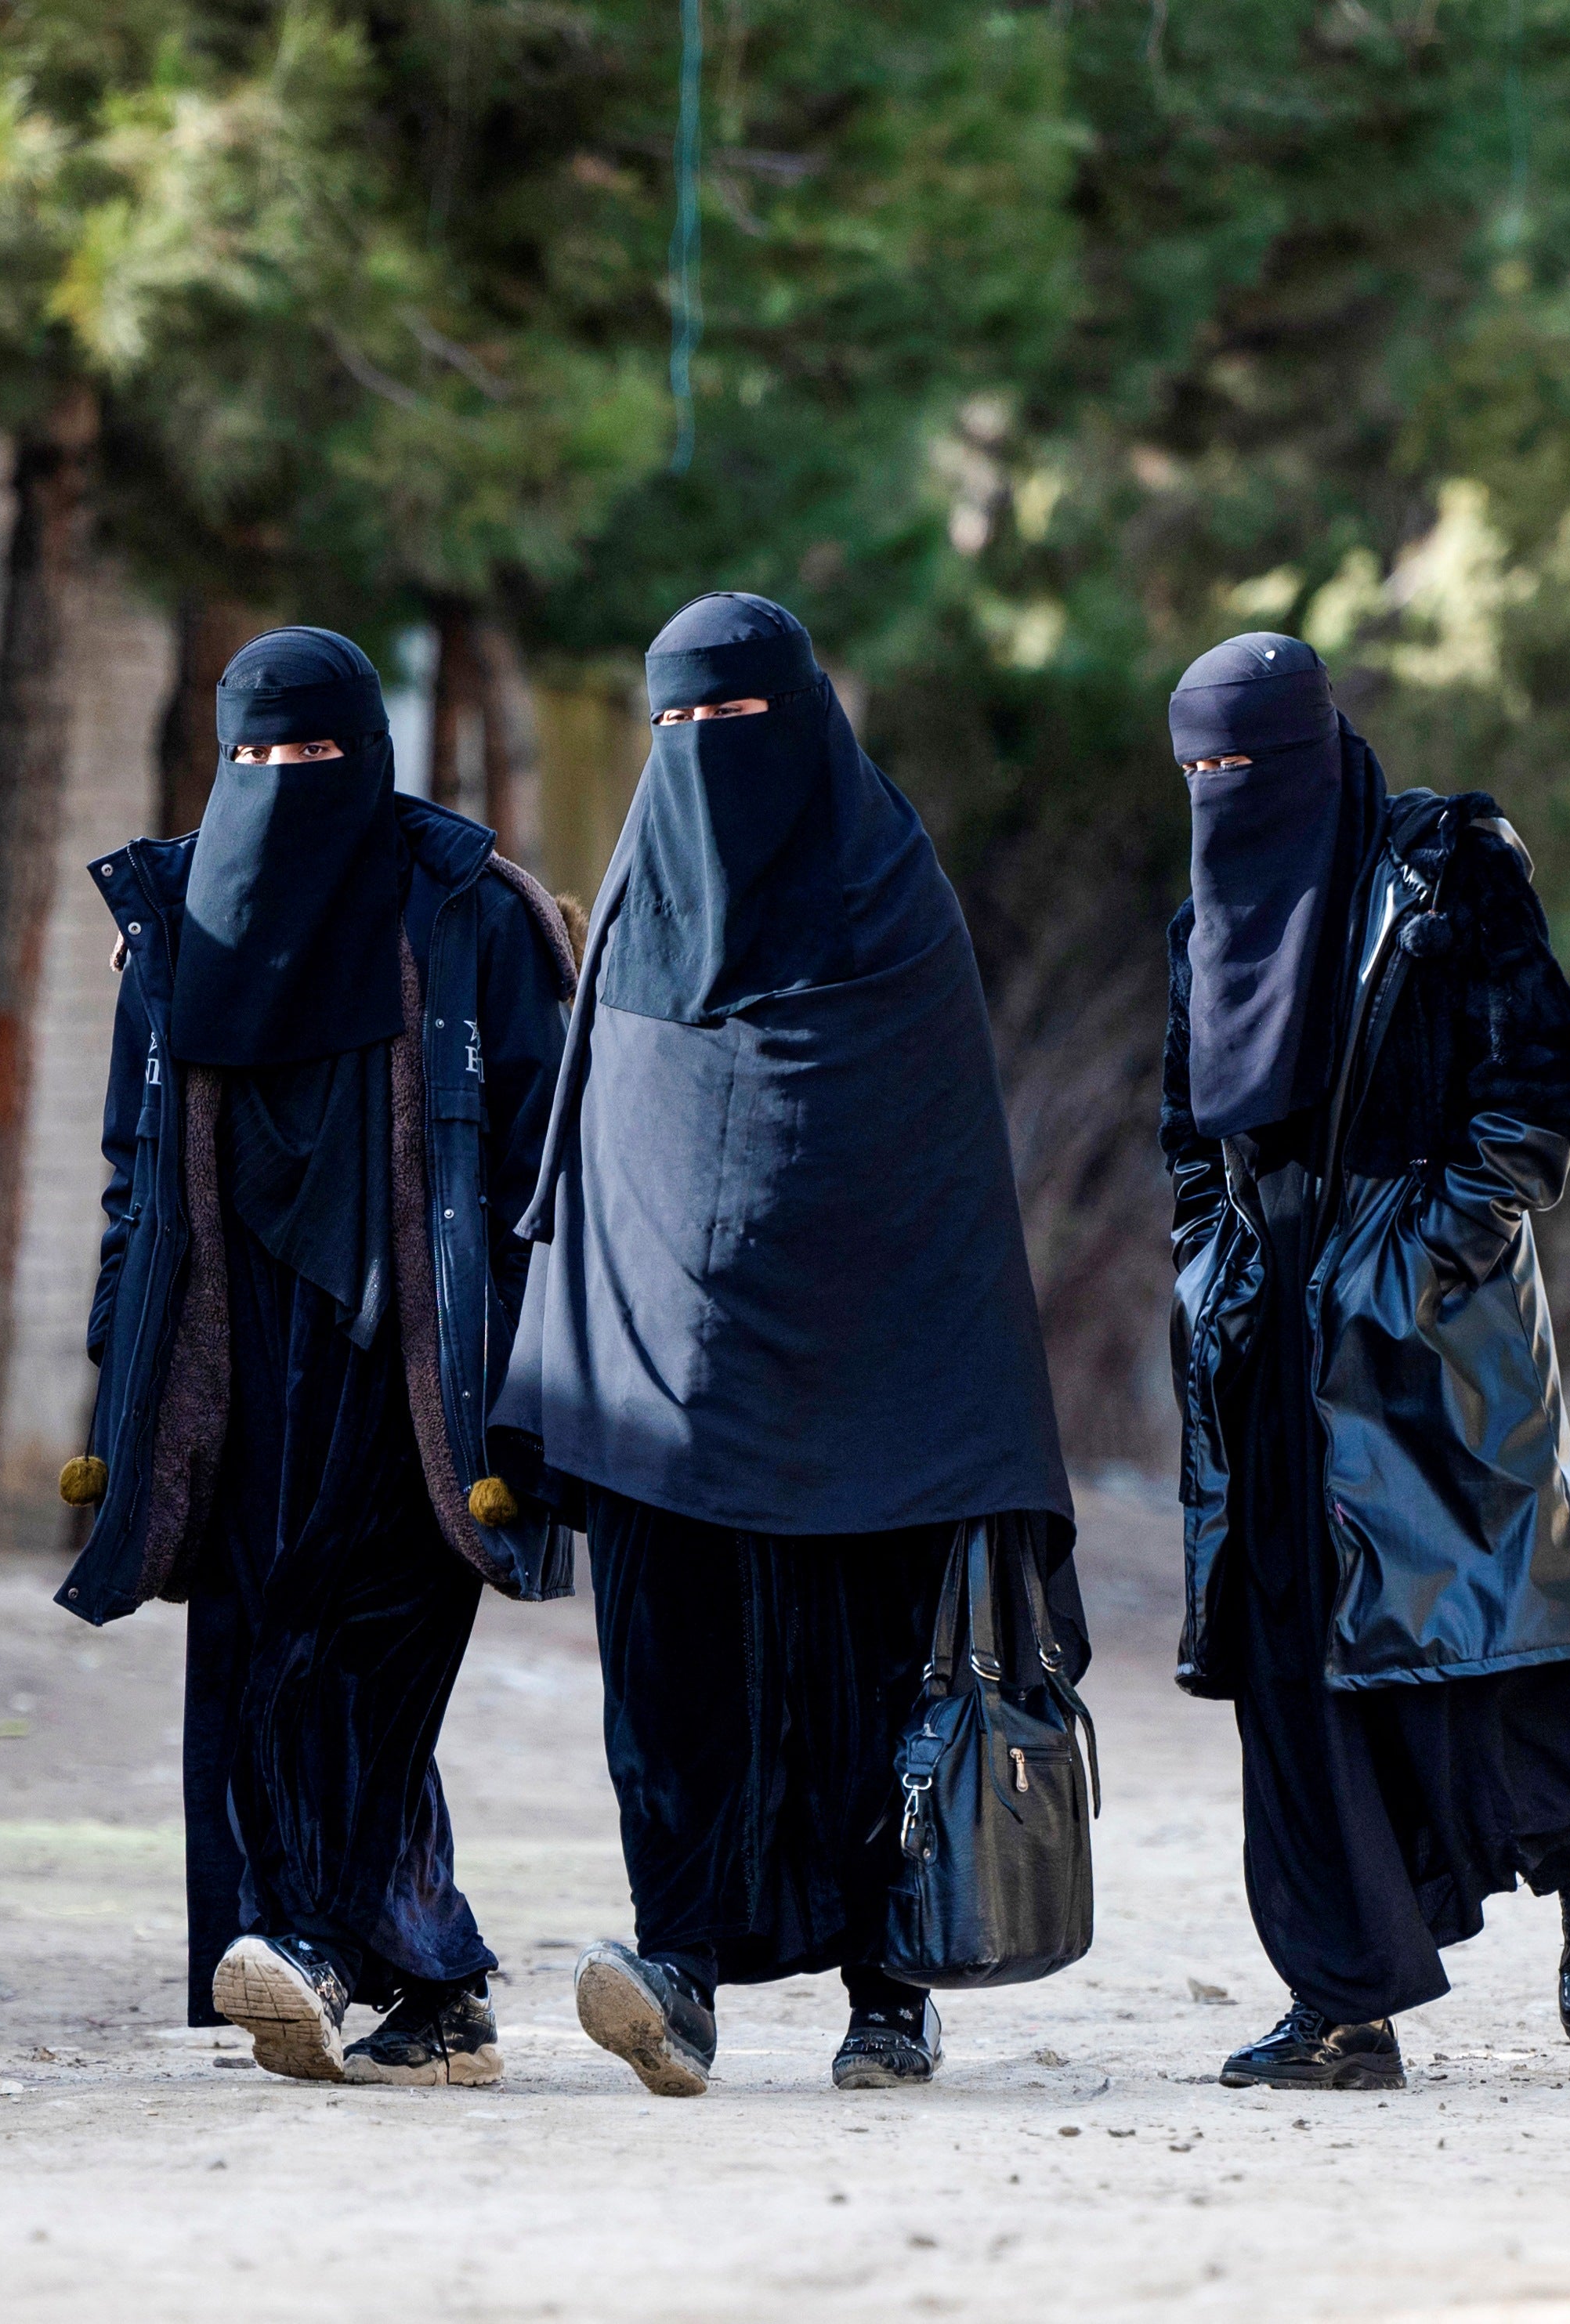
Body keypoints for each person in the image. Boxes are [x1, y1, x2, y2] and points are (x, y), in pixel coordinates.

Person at [487, 592, 1081, 2098]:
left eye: (734, 722)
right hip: (667, 1389)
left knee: (868, 1684)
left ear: (804, 720)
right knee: (673, 1690)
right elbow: (600, 1151)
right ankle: (674, 1967)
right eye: (674, 728)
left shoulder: (890, 903)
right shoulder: (638, 912)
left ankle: (891, 1989)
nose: (702, 759)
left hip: (870, 1393)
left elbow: (938, 1172)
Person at [58, 627, 577, 2087]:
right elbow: (132, 1160)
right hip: (231, 1353)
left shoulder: (464, 909)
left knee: (367, 1662)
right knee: (258, 1655)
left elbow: (542, 1152)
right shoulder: (174, 928)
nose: (286, 782)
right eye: (255, 755)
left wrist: (531, 1366)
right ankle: (401, 1970)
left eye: (316, 753)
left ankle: (327, 1945)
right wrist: (121, 1340)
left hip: (422, 1361)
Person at [1160, 632, 1570, 2092]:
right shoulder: (1199, 915)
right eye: (1196, 770)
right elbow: (1186, 1135)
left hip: (1421, 1331)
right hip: (1263, 1334)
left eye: (1243, 764)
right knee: (1288, 1673)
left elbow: (1538, 1090)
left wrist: (1414, 1254)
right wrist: (1216, 1267)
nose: (1220, 794)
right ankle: (1340, 2008)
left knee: (1462, 1664)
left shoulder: (1444, 866)